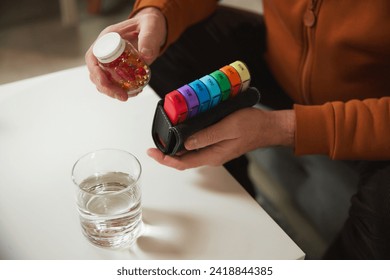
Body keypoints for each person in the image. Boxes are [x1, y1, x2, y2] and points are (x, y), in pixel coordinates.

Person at [85, 0, 390, 259]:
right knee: (179, 46)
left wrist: (282, 127)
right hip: (282, 68)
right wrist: (156, 13)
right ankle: (240, 197)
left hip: (375, 115)